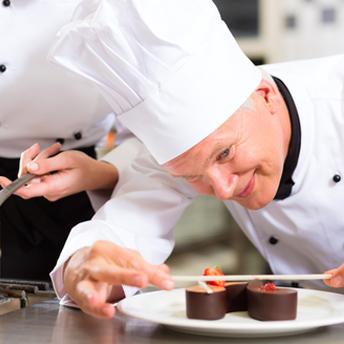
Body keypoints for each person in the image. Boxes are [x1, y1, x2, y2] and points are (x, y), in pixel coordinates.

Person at [11, 0, 344, 318]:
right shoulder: (184, 154)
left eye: (225, 153)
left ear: (265, 97)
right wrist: (83, 267)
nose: (223, 190)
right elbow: (123, 229)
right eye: (191, 176)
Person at [0, 0, 144, 282]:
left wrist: (99, 174)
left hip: (73, 186)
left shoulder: (114, 7)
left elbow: (145, 141)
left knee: (70, 307)